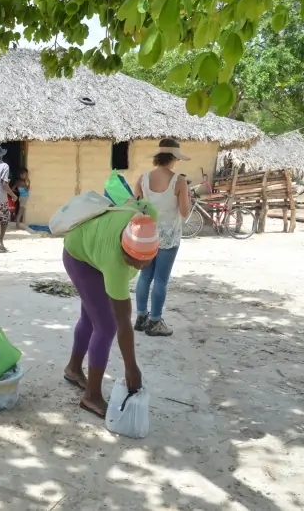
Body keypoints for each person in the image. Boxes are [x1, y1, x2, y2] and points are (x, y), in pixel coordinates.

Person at [61, 199, 159, 418]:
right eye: (132, 260)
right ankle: (91, 396)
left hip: (92, 246)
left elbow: (136, 200)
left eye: (146, 262)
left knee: (91, 316)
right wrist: (131, 367)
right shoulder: (115, 263)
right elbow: (123, 321)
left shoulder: (147, 218)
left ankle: (73, 369)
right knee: (105, 326)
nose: (139, 267)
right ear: (124, 248)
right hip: (79, 257)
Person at [133, 139, 192, 337]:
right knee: (160, 280)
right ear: (174, 158)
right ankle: (155, 321)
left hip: (146, 236)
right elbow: (184, 212)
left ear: (157, 157)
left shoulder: (143, 179)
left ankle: (141, 317)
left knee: (145, 276)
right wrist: (188, 196)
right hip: (169, 236)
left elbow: (137, 206)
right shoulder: (179, 181)